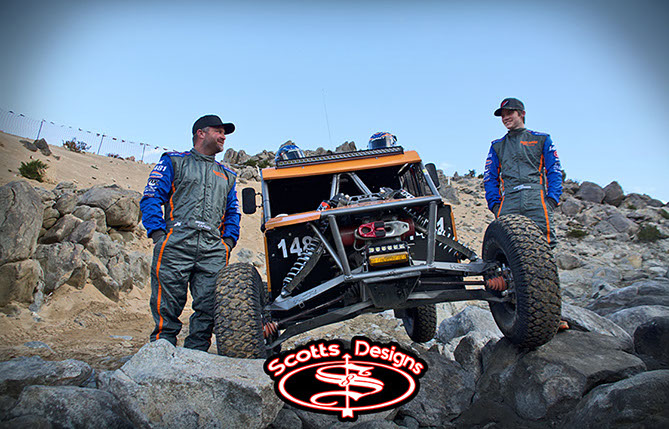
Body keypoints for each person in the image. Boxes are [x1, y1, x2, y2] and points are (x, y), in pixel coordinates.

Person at [140, 114, 241, 351]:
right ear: (200, 133)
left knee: (209, 305)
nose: (223, 137)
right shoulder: (174, 161)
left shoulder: (228, 175)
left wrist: (227, 242)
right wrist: (158, 234)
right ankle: (161, 352)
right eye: (218, 131)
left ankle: (197, 354)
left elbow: (233, 212)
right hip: (176, 242)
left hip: (213, 249)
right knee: (167, 304)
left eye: (224, 133)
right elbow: (151, 197)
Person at [483, 98, 563, 246]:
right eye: (503, 115)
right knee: (507, 247)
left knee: (545, 245)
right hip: (509, 201)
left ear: (522, 114)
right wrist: (495, 205)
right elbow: (489, 178)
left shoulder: (541, 139)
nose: (505, 118)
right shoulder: (497, 145)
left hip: (536, 199)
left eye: (510, 113)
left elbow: (554, 170)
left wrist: (552, 199)